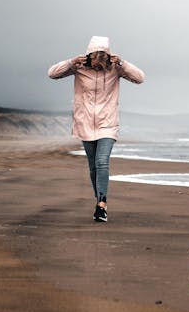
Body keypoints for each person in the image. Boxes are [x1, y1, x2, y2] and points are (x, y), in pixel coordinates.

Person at [48, 36, 145, 222]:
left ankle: (101, 204)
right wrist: (70, 63)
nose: (97, 66)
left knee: (102, 162)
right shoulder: (79, 67)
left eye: (102, 62)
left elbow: (140, 78)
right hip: (84, 123)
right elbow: (52, 74)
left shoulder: (116, 69)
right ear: (89, 57)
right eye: (95, 62)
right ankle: (99, 200)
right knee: (93, 167)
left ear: (108, 58)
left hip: (108, 123)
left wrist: (123, 63)